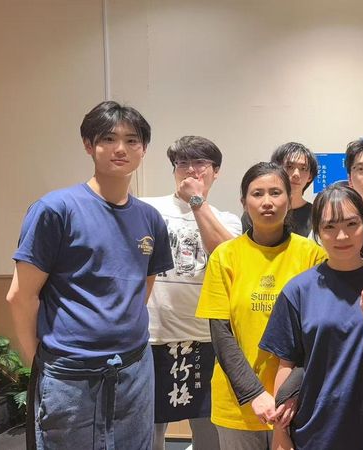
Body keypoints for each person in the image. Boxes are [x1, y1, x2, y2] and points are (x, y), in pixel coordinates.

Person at [6, 101, 174, 449]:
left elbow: (142, 288)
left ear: (144, 149)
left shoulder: (150, 219)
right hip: (70, 372)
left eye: (132, 140)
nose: (120, 148)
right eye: (108, 139)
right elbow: (21, 296)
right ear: (88, 145)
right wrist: (44, 361)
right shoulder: (56, 209)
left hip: (134, 368)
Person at [259, 184, 363, 449]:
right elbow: (286, 365)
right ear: (317, 232)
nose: (342, 235)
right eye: (330, 227)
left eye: (351, 224)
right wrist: (281, 432)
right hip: (315, 430)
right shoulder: (298, 290)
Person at [195, 162, 327, 449]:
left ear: (289, 200)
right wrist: (254, 393)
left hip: (296, 402)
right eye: (257, 194)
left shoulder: (313, 255)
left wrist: (289, 393)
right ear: (244, 202)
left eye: (276, 193)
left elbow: (315, 336)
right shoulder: (225, 256)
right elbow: (221, 335)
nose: (267, 201)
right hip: (238, 406)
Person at [141, 136, 243, 450]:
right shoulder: (148, 208)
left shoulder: (227, 219)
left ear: (216, 171)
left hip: (204, 337)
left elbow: (229, 258)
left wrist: (197, 202)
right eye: (182, 163)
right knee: (149, 431)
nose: (190, 170)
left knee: (210, 433)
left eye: (200, 163)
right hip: (151, 335)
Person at [241, 143, 318, 236]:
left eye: (303, 168)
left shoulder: (318, 215)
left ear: (310, 176)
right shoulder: (257, 211)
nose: (296, 174)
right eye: (289, 167)